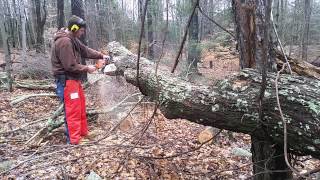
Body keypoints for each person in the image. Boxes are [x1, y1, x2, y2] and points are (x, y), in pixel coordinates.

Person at [51, 15, 110, 144]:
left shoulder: (72, 39)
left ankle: (82, 133)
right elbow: (70, 66)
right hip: (67, 81)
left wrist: (101, 55)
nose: (82, 33)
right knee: (73, 109)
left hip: (74, 80)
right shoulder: (64, 42)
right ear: (74, 28)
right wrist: (88, 68)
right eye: (81, 31)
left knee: (80, 106)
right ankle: (74, 140)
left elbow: (85, 50)